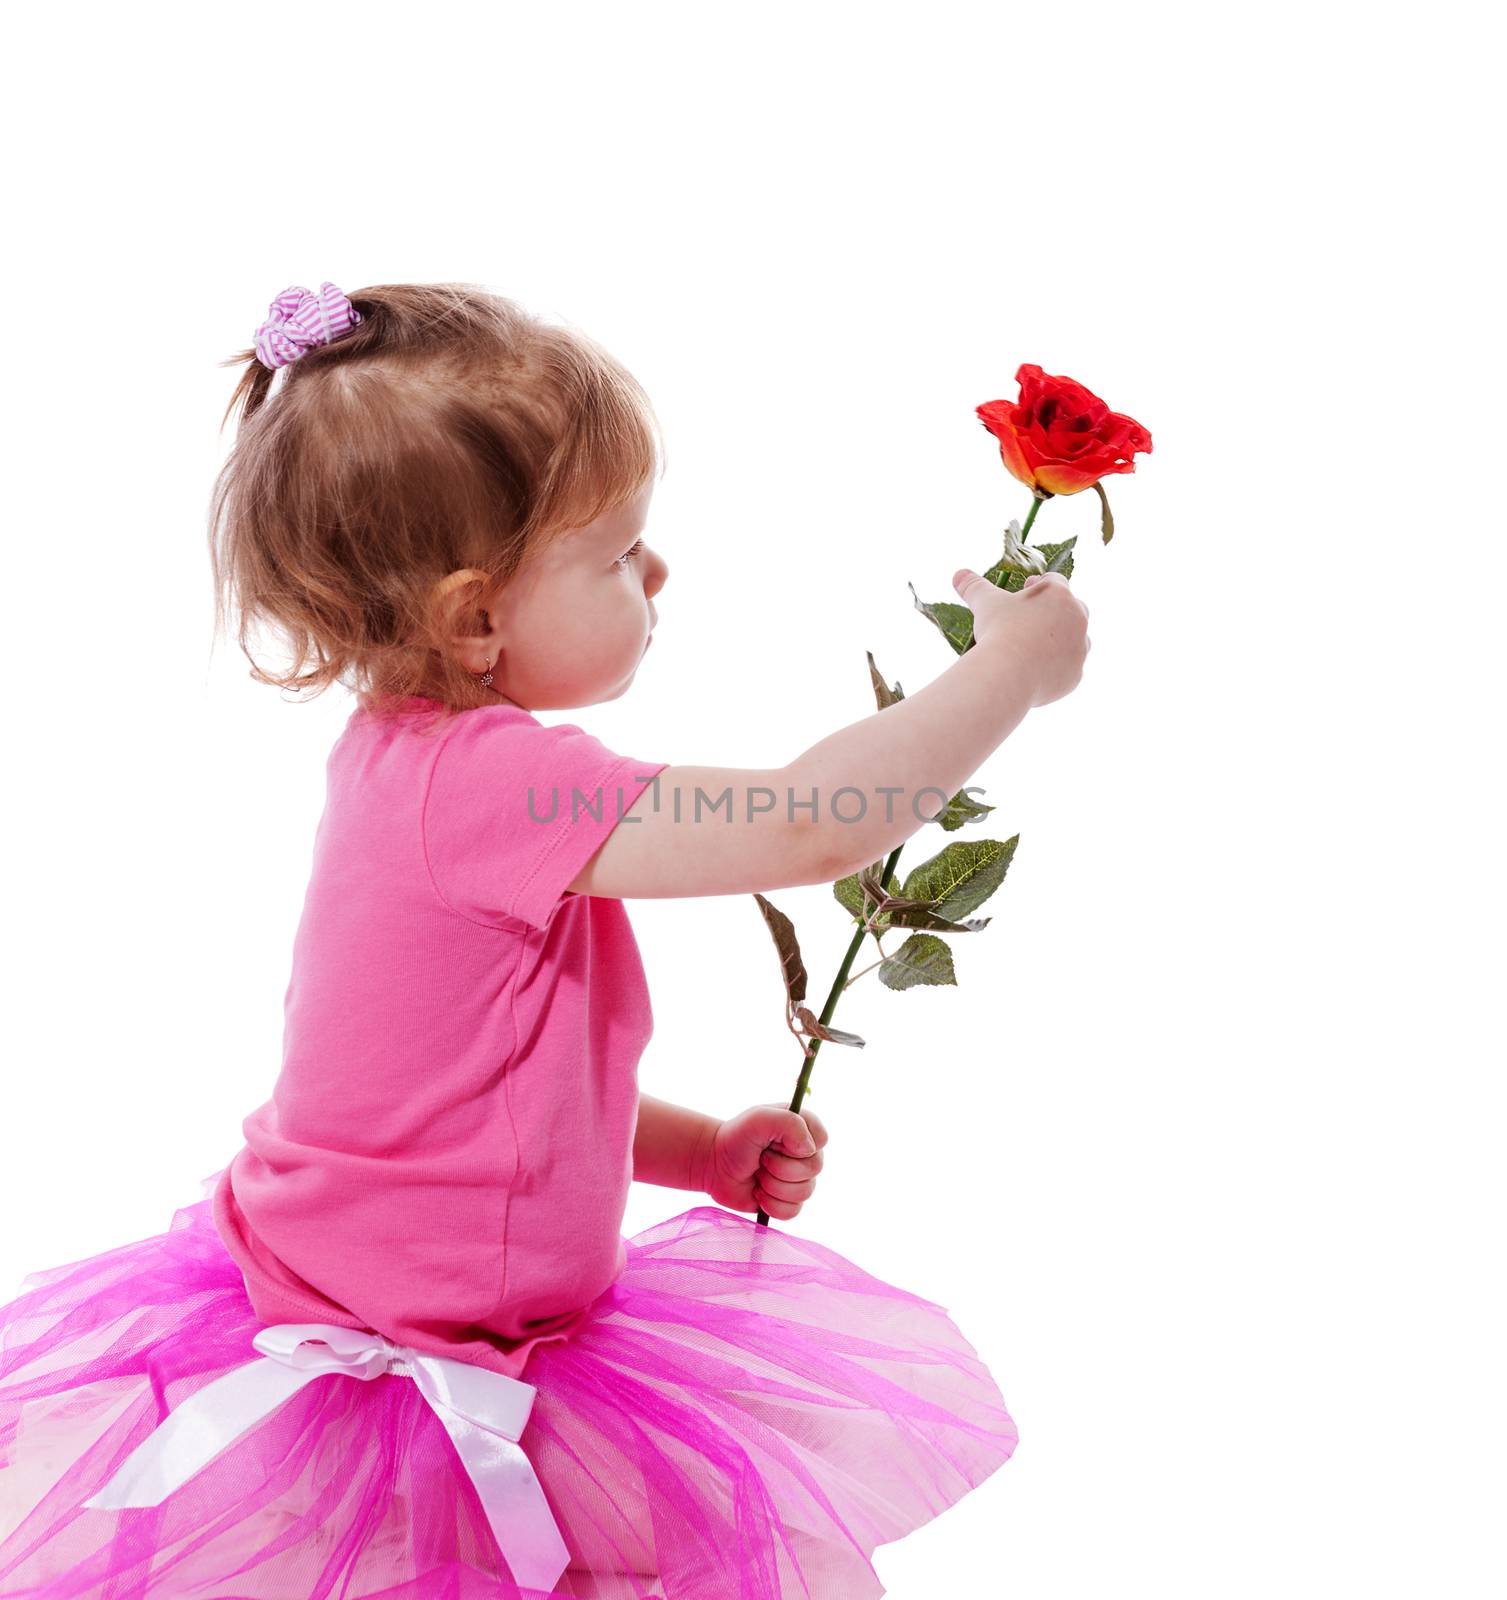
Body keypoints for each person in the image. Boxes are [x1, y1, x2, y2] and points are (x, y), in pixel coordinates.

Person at [0, 280, 1091, 1599]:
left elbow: (463, 1100)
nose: (660, 571)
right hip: (416, 1357)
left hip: (410, 1302)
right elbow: (811, 827)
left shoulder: (403, 759)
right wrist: (1011, 672)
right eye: (619, 553)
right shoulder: (501, 786)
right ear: (475, 619)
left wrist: (687, 1149)